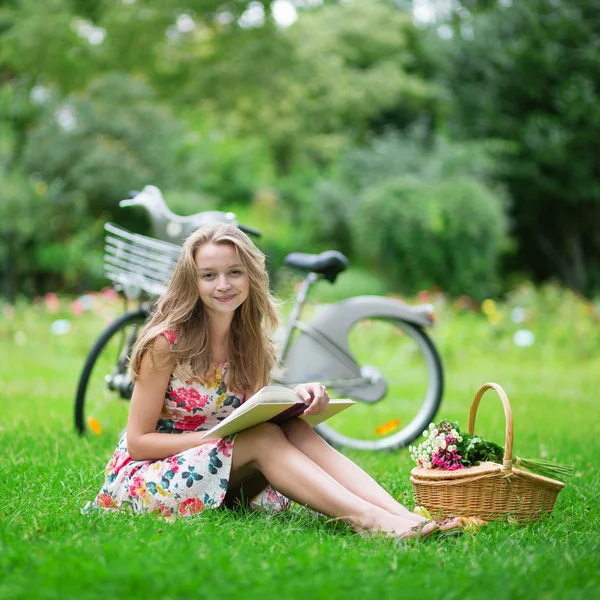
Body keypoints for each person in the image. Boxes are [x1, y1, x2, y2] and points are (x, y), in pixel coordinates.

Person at [85, 222, 458, 539]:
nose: (223, 285)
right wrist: (217, 440)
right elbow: (138, 443)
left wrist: (296, 396)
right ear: (192, 282)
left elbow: (254, 412)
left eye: (235, 272)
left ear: (250, 276)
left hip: (217, 469)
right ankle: (372, 523)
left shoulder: (251, 344)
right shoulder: (165, 344)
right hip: (150, 479)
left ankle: (409, 518)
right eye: (209, 275)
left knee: (291, 427)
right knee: (261, 438)